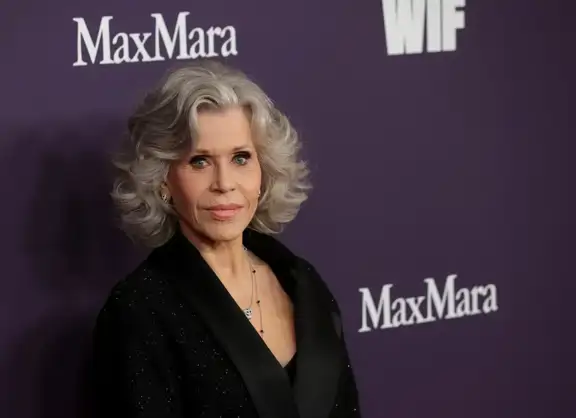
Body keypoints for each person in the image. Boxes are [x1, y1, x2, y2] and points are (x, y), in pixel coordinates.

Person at [91, 60, 361, 418]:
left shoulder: (303, 283)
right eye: (200, 161)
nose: (224, 183)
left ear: (264, 169)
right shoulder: (139, 309)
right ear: (163, 179)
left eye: (241, 158)